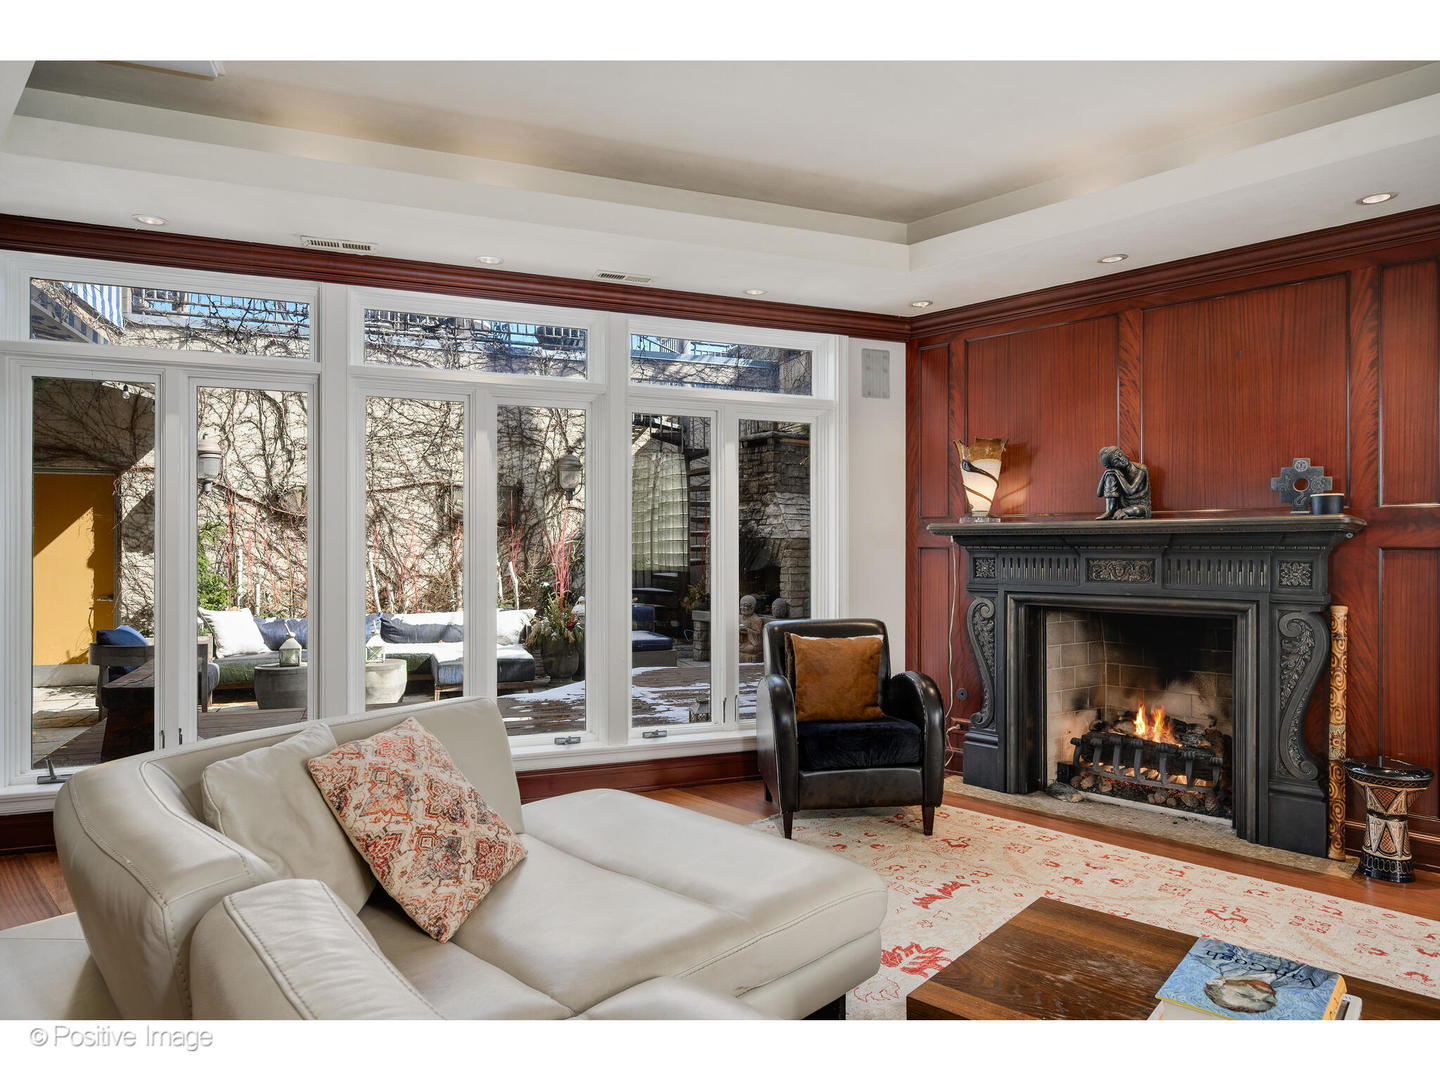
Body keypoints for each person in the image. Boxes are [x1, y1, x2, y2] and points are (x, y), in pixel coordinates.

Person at [1095, 446, 1151, 520]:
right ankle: (1110, 512)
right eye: (1116, 461)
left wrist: (1118, 474)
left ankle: (1118, 513)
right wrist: (1105, 474)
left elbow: (1130, 491)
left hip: (1139, 505)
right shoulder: (1114, 473)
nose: (1121, 459)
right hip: (1123, 504)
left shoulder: (1141, 469)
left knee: (1137, 510)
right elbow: (1099, 494)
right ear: (1112, 466)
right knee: (1110, 476)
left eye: (1120, 454)